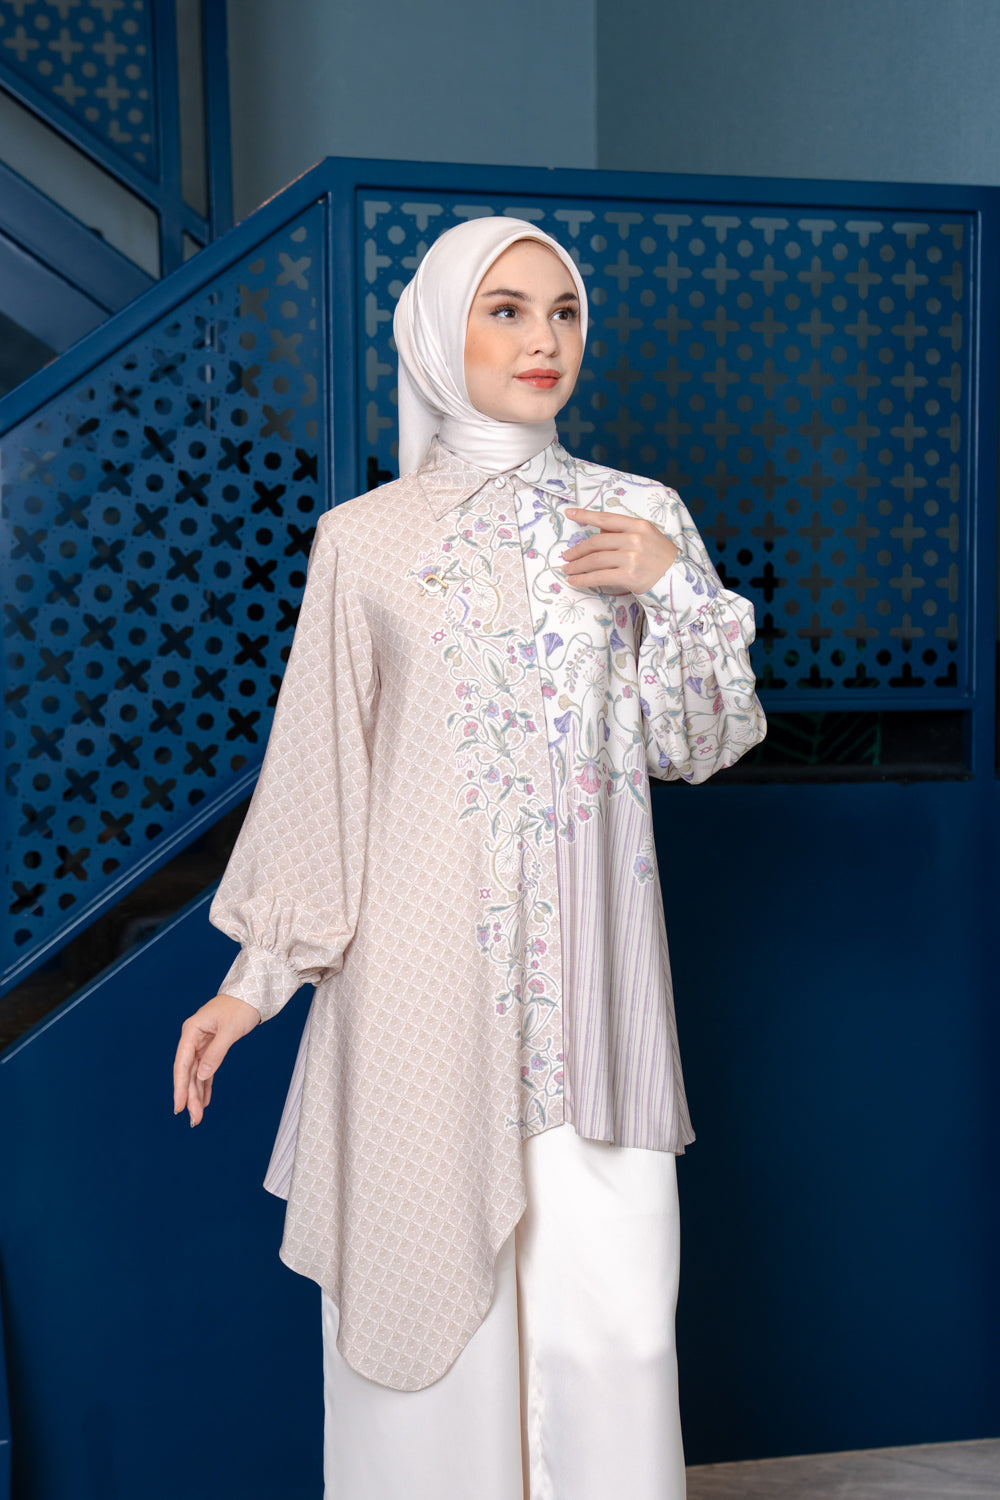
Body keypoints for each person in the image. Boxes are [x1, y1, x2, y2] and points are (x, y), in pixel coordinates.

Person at [173, 216, 766, 1498]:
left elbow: (701, 743)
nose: (543, 339)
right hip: (417, 998)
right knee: (432, 1334)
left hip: (592, 1001)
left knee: (610, 1327)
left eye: (562, 311)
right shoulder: (364, 538)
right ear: (441, 334)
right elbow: (323, 774)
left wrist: (672, 589)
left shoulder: (639, 516)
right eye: (505, 310)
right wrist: (252, 985)